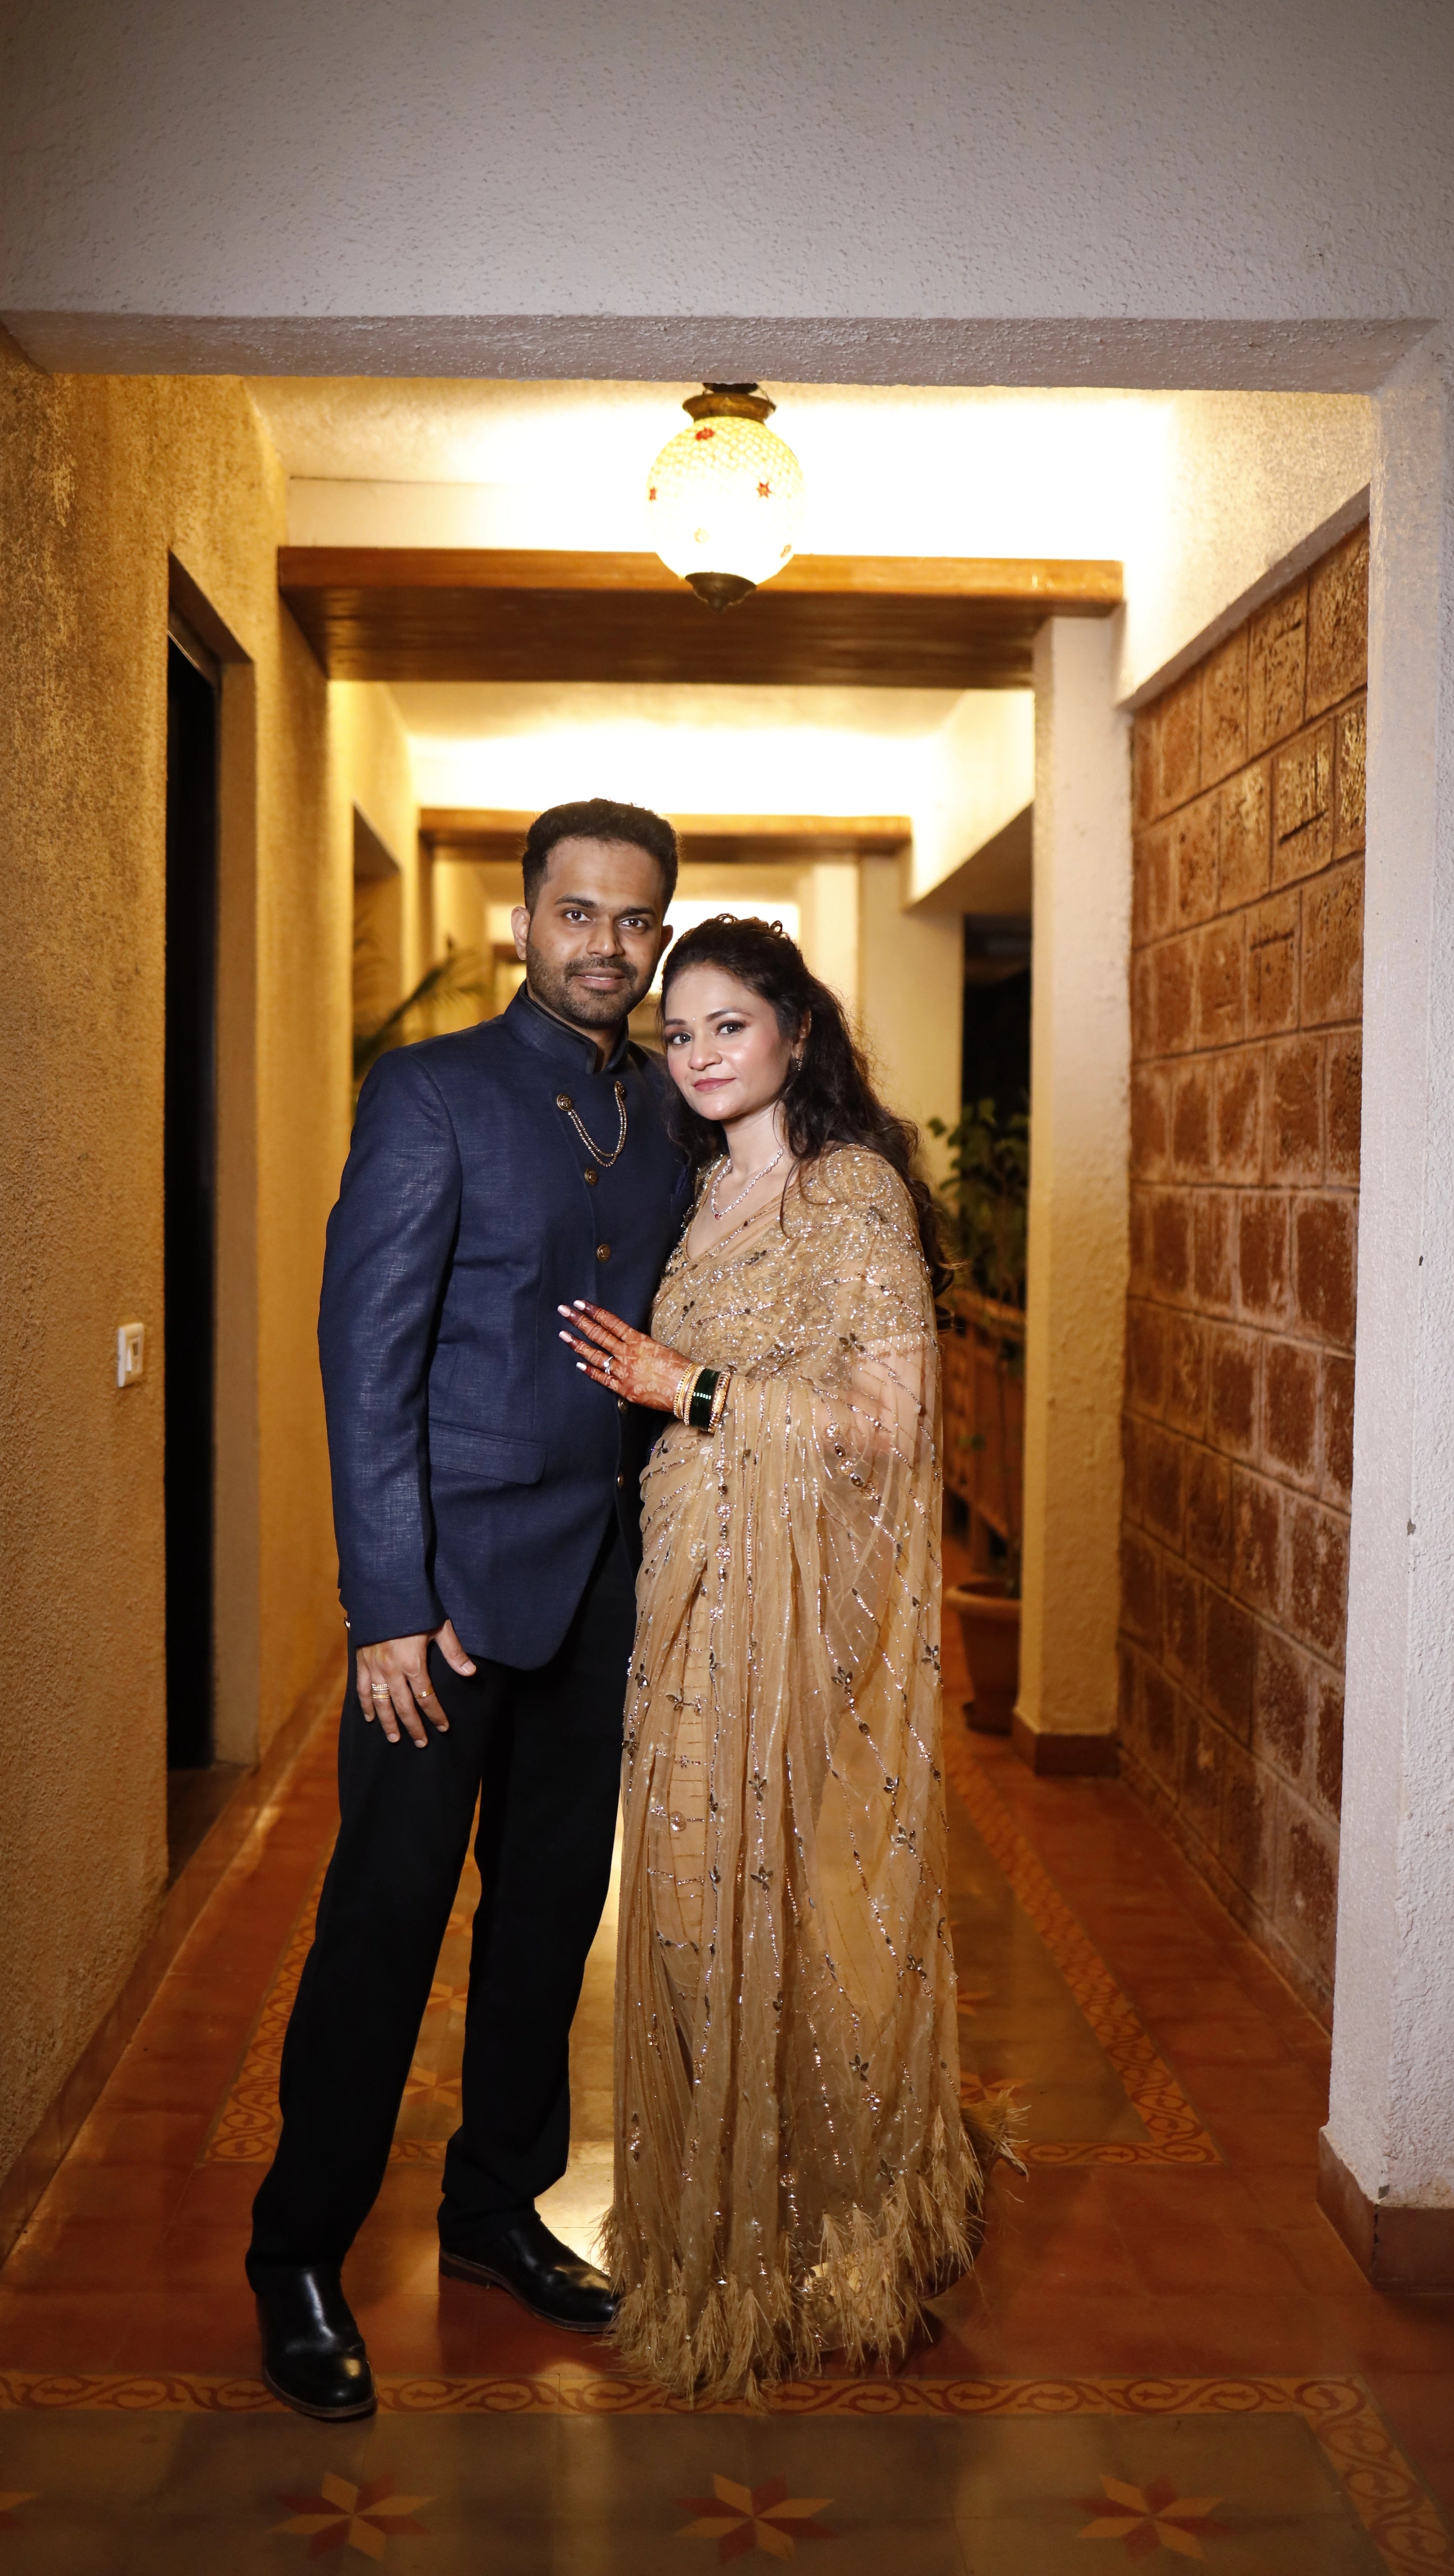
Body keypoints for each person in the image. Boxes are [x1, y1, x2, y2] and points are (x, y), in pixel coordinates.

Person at [246, 798, 687, 2421]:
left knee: (547, 1919)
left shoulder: (665, 1109)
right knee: (385, 1923)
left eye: (636, 921)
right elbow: (365, 1361)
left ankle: (497, 2208)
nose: (607, 947)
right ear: (524, 922)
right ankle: (296, 2250)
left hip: (601, 1595)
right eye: (578, 914)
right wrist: (383, 1610)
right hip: (437, 1613)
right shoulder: (431, 1092)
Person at [557, 916, 1000, 2403]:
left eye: (726, 1026)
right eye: (677, 1034)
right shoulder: (700, 1196)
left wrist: (687, 1386)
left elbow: (887, 1424)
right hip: (684, 1596)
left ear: (796, 1034)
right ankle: (706, 2241)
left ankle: (825, 2236)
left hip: (793, 1623)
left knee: (798, 1900)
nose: (694, 1056)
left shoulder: (851, 1194)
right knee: (685, 1908)